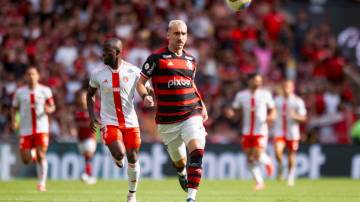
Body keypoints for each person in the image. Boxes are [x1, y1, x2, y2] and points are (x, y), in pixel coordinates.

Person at [136, 19, 208, 202]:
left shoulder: (191, 60)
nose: (180, 37)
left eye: (183, 33)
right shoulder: (156, 59)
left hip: (192, 113)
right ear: (168, 35)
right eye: (176, 33)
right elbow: (140, 83)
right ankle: (182, 172)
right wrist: (145, 96)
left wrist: (202, 104)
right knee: (180, 161)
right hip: (167, 121)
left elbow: (191, 84)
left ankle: (191, 198)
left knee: (197, 151)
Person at [87, 38, 142, 202]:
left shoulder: (133, 71)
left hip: (131, 122)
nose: (102, 55)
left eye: (107, 52)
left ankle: (132, 194)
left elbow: (143, 87)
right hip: (109, 121)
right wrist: (92, 116)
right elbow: (89, 94)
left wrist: (148, 96)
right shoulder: (98, 74)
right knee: (120, 153)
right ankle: (116, 156)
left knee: (132, 158)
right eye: (102, 51)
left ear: (118, 53)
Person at [11, 67, 56, 192]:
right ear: (25, 76)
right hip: (25, 129)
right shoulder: (19, 92)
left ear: (38, 76)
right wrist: (14, 120)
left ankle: (41, 184)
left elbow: (52, 106)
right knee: (26, 160)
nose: (31, 76)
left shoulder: (45, 90)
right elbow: (14, 108)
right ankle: (33, 154)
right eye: (29, 74)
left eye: (34, 74)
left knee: (42, 155)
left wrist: (49, 109)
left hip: (42, 128)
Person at [231, 73, 276, 190]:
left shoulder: (265, 94)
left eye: (260, 81)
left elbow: (273, 110)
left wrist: (271, 117)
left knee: (257, 154)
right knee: (250, 159)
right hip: (246, 131)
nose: (258, 83)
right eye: (256, 80)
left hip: (261, 130)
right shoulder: (241, 95)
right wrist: (232, 114)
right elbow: (236, 112)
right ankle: (259, 183)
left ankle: (268, 161)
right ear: (249, 81)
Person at [273, 80, 307, 186]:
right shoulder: (277, 100)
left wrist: (295, 116)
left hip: (292, 132)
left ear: (293, 88)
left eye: (288, 87)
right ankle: (281, 165)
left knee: (291, 155)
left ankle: (291, 175)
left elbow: (304, 118)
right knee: (278, 151)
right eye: (284, 87)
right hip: (279, 131)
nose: (286, 89)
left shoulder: (298, 101)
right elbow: (272, 113)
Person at [74, 90, 97, 184]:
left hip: (90, 137)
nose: (82, 99)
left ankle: (87, 174)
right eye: (81, 97)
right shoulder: (76, 111)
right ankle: (89, 174)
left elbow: (98, 122)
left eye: (84, 97)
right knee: (85, 157)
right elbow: (74, 124)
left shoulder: (92, 110)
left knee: (88, 154)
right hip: (80, 138)